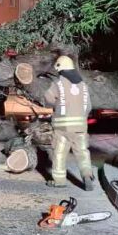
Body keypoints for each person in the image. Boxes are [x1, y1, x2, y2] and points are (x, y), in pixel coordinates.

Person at [43, 56, 95, 190]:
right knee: (82, 152)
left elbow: (48, 99)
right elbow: (88, 106)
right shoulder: (83, 85)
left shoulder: (58, 83)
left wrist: (57, 105)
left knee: (59, 153)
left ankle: (59, 180)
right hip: (80, 127)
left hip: (62, 127)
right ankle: (87, 175)